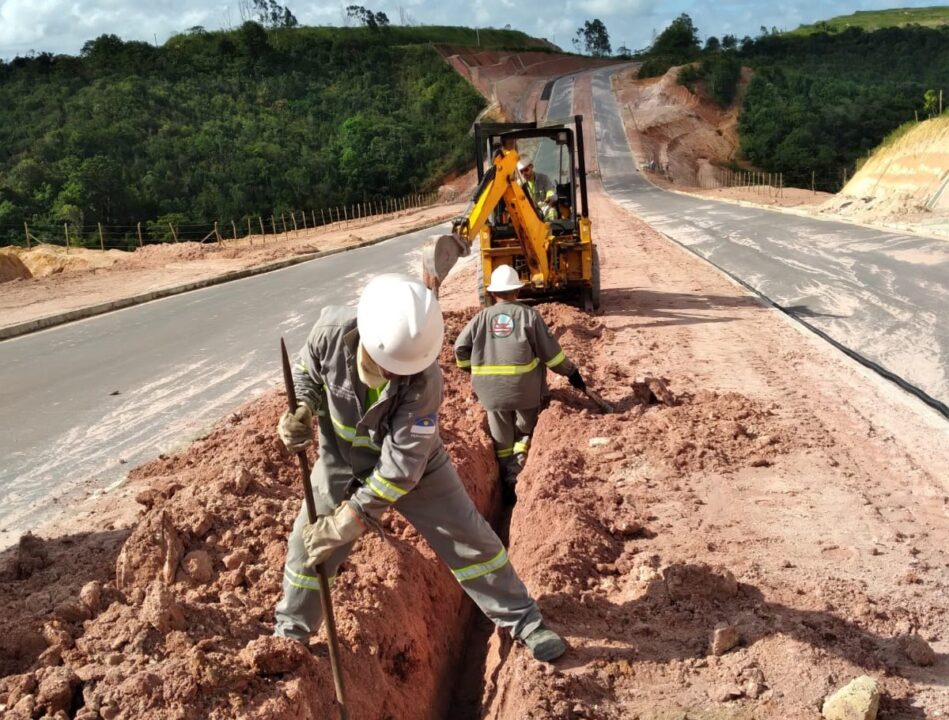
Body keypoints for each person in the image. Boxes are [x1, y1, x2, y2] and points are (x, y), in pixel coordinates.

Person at [273, 273, 567, 662]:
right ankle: (290, 637)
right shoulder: (330, 331)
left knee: (470, 537)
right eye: (389, 366)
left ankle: (524, 621)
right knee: (305, 544)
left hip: (418, 467)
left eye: (401, 369)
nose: (396, 374)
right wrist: (302, 409)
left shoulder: (424, 379)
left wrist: (351, 519)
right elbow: (307, 375)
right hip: (339, 458)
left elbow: (401, 466)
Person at [453, 265, 587, 501]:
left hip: (490, 393)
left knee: (501, 439)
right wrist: (571, 373)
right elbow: (552, 356)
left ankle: (505, 479)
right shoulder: (529, 316)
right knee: (525, 430)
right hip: (525, 391)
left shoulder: (480, 318)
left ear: (493, 293)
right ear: (517, 291)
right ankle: (517, 472)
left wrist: (472, 370)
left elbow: (459, 349)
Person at [517, 156, 558, 220]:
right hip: (528, 212)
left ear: (531, 167)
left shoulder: (544, 179)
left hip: (543, 209)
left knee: (551, 212)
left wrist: (549, 197)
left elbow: (550, 191)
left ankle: (551, 229)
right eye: (521, 171)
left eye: (526, 170)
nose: (524, 173)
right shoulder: (519, 185)